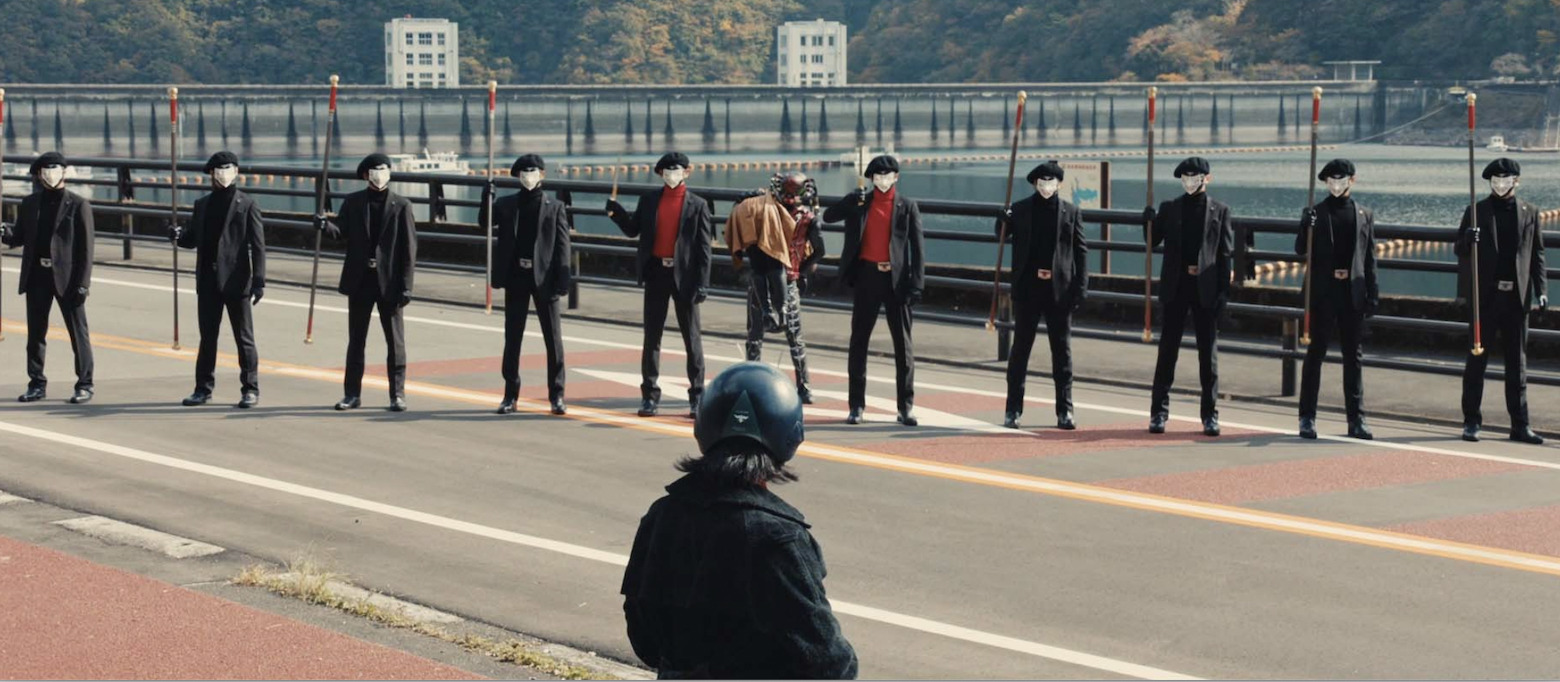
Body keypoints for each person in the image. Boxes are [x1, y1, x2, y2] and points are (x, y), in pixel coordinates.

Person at [621, 362, 858, 679]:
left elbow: (644, 639)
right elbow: (828, 661)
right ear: (790, 435)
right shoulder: (778, 539)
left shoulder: (662, 515)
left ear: (704, 428)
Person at [606, 152, 714, 418]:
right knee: (652, 337)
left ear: (687, 172)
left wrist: (703, 283)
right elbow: (633, 229)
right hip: (656, 272)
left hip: (685, 277)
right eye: (667, 171)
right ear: (660, 174)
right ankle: (649, 397)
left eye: (677, 170)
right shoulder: (649, 199)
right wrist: (616, 213)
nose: (672, 174)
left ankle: (697, 396)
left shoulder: (698, 205)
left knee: (692, 338)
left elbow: (704, 249)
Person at [823, 155, 925, 426]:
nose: (882, 180)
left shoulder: (907, 206)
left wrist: (917, 284)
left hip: (897, 280)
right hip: (867, 276)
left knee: (904, 346)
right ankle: (856, 406)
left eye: (887, 176)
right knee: (859, 342)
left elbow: (918, 248)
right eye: (877, 176)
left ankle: (905, 407)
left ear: (896, 177)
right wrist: (847, 201)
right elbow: (829, 217)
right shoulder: (860, 203)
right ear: (871, 179)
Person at [1457, 157, 1547, 444]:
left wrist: (1542, 289)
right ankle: (1471, 421)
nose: (1499, 185)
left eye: (1505, 180)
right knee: (1476, 361)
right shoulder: (1476, 212)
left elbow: (1537, 254)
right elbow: (1459, 249)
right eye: (1494, 181)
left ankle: (1520, 425)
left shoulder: (1530, 212)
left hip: (1517, 298)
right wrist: (1467, 239)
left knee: (1517, 364)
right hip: (1485, 297)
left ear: (1515, 181)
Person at [321, 153, 418, 412]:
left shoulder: (402, 205)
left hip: (390, 281)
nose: (380, 174)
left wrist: (407, 285)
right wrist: (325, 226)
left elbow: (409, 250)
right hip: (360, 279)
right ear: (366, 175)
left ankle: (397, 395)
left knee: (395, 342)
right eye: (375, 170)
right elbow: (341, 232)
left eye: (384, 169)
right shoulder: (353, 202)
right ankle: (352, 394)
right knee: (356, 340)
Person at [994, 160, 1087, 430]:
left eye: (1051, 181)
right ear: (1035, 184)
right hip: (1028, 289)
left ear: (1059, 184)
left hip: (1060, 290)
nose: (1046, 186)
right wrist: (1002, 218)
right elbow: (1001, 235)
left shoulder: (1071, 212)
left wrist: (1080, 288)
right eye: (1042, 182)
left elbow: (1081, 251)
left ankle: (1065, 410)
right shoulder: (1020, 209)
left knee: (1062, 352)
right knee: (1020, 351)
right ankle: (1012, 410)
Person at [1145, 156, 1233, 437]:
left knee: (1208, 356)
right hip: (1176, 286)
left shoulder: (1220, 211)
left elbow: (1225, 255)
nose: (1190, 181)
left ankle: (1210, 415)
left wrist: (1223, 293)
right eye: (1186, 177)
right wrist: (1147, 221)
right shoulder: (1170, 208)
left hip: (1205, 288)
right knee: (1167, 352)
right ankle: (1158, 413)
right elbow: (1152, 241)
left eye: (1195, 177)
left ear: (1207, 178)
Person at [172, 151, 266, 409]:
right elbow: (192, 239)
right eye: (219, 169)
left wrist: (259, 280)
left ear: (236, 172)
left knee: (244, 338)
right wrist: (177, 236)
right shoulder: (202, 204)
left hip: (237, 280)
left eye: (228, 168)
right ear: (211, 174)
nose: (223, 174)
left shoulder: (247, 204)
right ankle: (202, 389)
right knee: (208, 338)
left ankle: (250, 389)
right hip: (208, 280)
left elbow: (258, 246)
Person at [2, 151, 95, 404]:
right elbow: (18, 237)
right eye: (46, 171)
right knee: (36, 334)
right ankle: (36, 383)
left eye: (55, 170)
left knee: (78, 333)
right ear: (39, 176)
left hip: (68, 277)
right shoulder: (30, 203)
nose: (51, 175)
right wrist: (4, 231)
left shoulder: (78, 205)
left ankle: (85, 384)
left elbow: (86, 250)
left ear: (64, 173)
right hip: (37, 275)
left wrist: (83, 283)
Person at [1295, 159, 1378, 440]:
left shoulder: (1364, 214)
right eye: (1330, 180)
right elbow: (1299, 249)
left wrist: (1373, 293)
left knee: (1353, 357)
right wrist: (1305, 226)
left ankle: (1356, 419)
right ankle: (1307, 417)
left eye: (1340, 180)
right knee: (1315, 355)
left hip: (1351, 292)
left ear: (1352, 180)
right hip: (1322, 292)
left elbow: (1369, 258)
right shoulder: (1316, 213)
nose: (1335, 185)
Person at [725, 171, 825, 403]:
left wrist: (800, 268)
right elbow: (819, 251)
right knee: (775, 335)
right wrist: (801, 268)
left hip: (784, 278)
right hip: (782, 277)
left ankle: (798, 385)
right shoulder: (770, 209)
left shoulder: (776, 212)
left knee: (777, 335)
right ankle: (800, 386)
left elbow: (819, 251)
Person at [484, 153, 571, 416]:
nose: (528, 177)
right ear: (518, 177)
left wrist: (563, 279)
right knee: (513, 338)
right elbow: (484, 223)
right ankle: (510, 395)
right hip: (516, 276)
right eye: (524, 173)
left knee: (553, 339)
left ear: (542, 175)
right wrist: (486, 197)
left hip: (545, 278)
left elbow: (563, 245)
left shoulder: (555, 207)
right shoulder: (506, 204)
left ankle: (557, 395)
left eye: (533, 172)